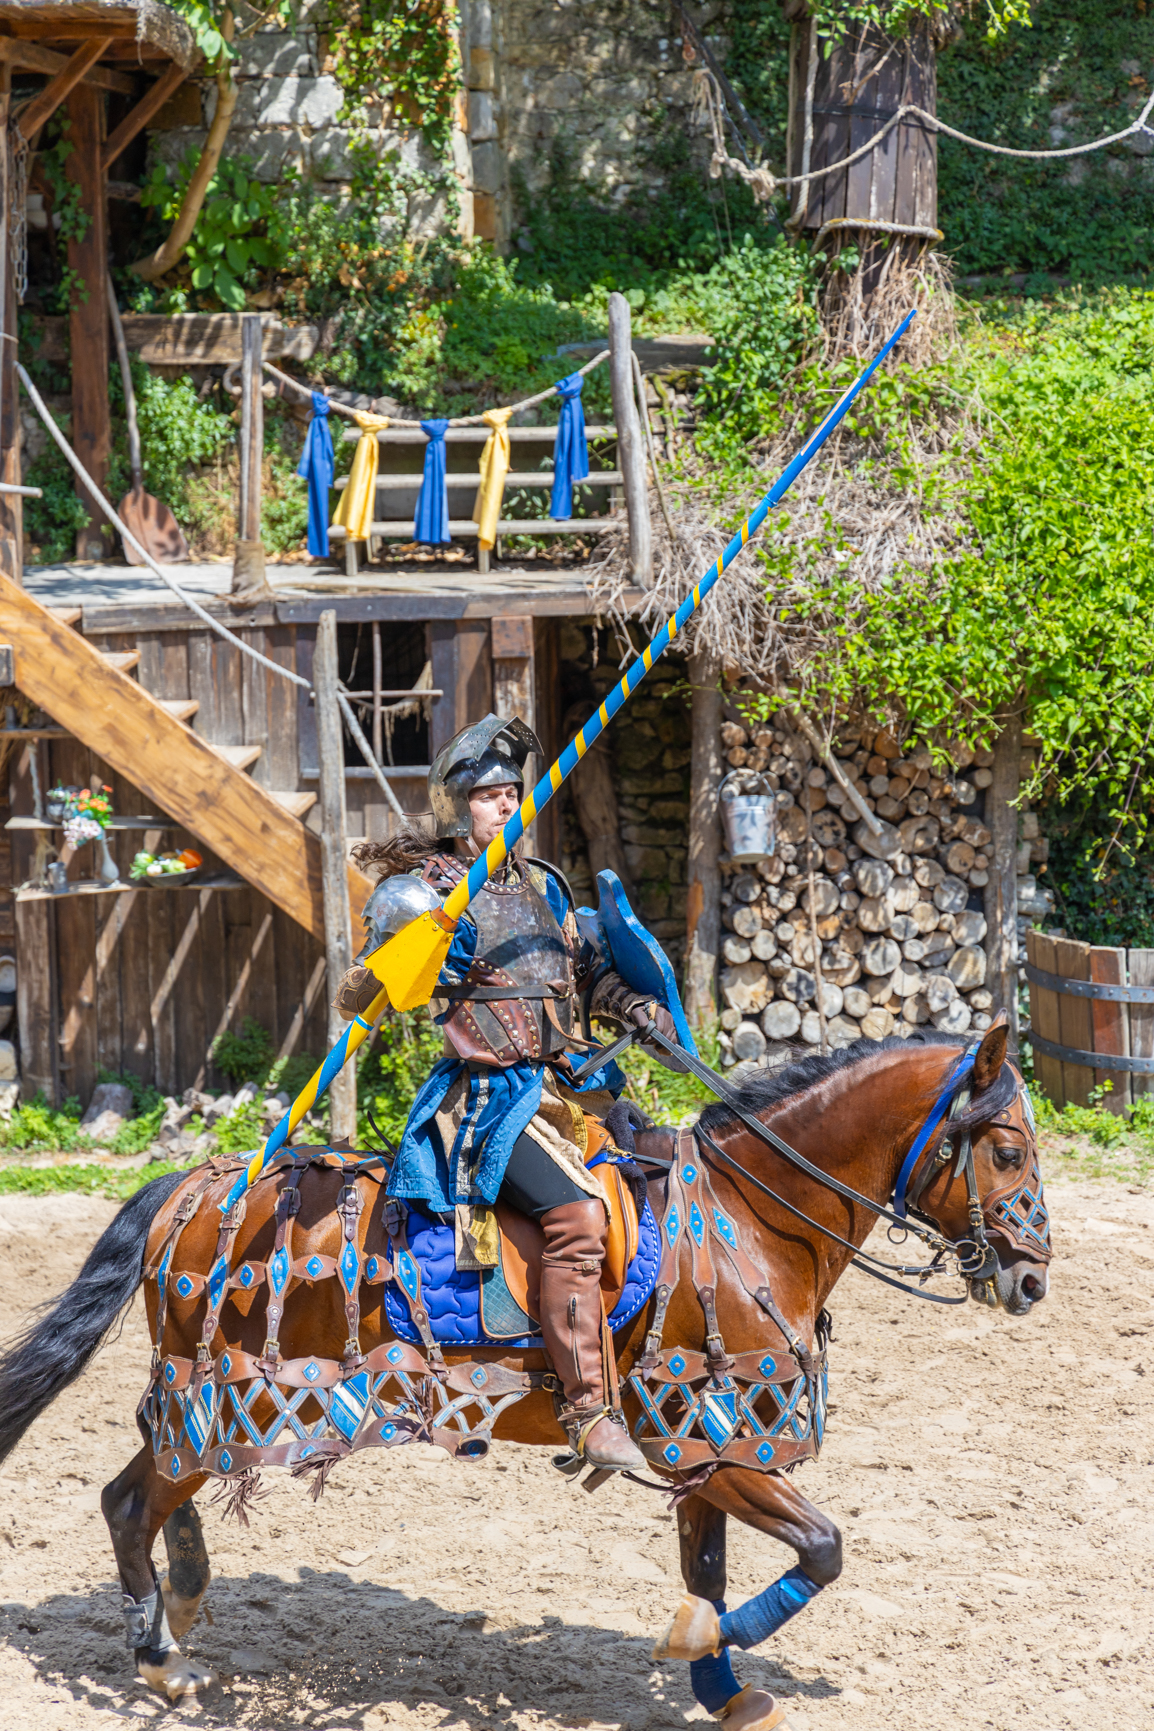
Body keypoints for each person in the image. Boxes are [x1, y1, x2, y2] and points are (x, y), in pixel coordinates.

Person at [335, 714, 681, 1472]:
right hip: (488, 1101)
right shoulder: (424, 892)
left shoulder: (545, 886)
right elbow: (360, 995)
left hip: (566, 1089)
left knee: (665, 1186)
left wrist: (640, 1008)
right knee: (579, 1216)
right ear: (461, 807)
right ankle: (586, 1408)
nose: (503, 803)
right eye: (489, 794)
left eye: (511, 792)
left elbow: (589, 973)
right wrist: (413, 944)